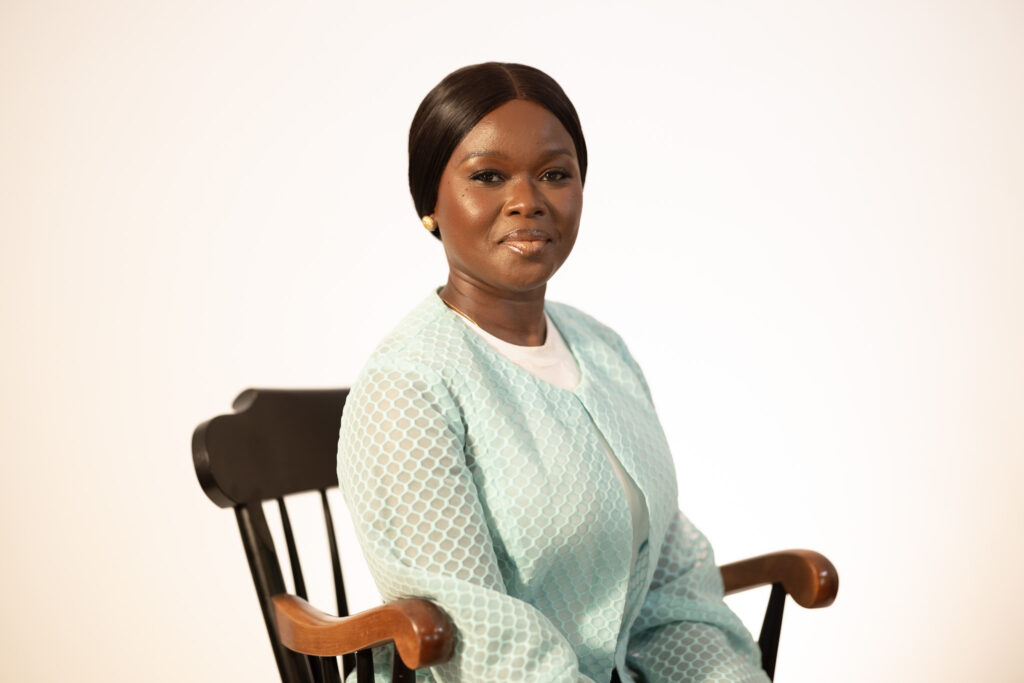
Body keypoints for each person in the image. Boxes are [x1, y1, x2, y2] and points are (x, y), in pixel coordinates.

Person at [336, 62, 769, 683]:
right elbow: (479, 641)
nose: (527, 201)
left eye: (555, 175)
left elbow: (670, 586)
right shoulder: (410, 386)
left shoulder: (601, 348)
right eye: (488, 176)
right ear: (428, 203)